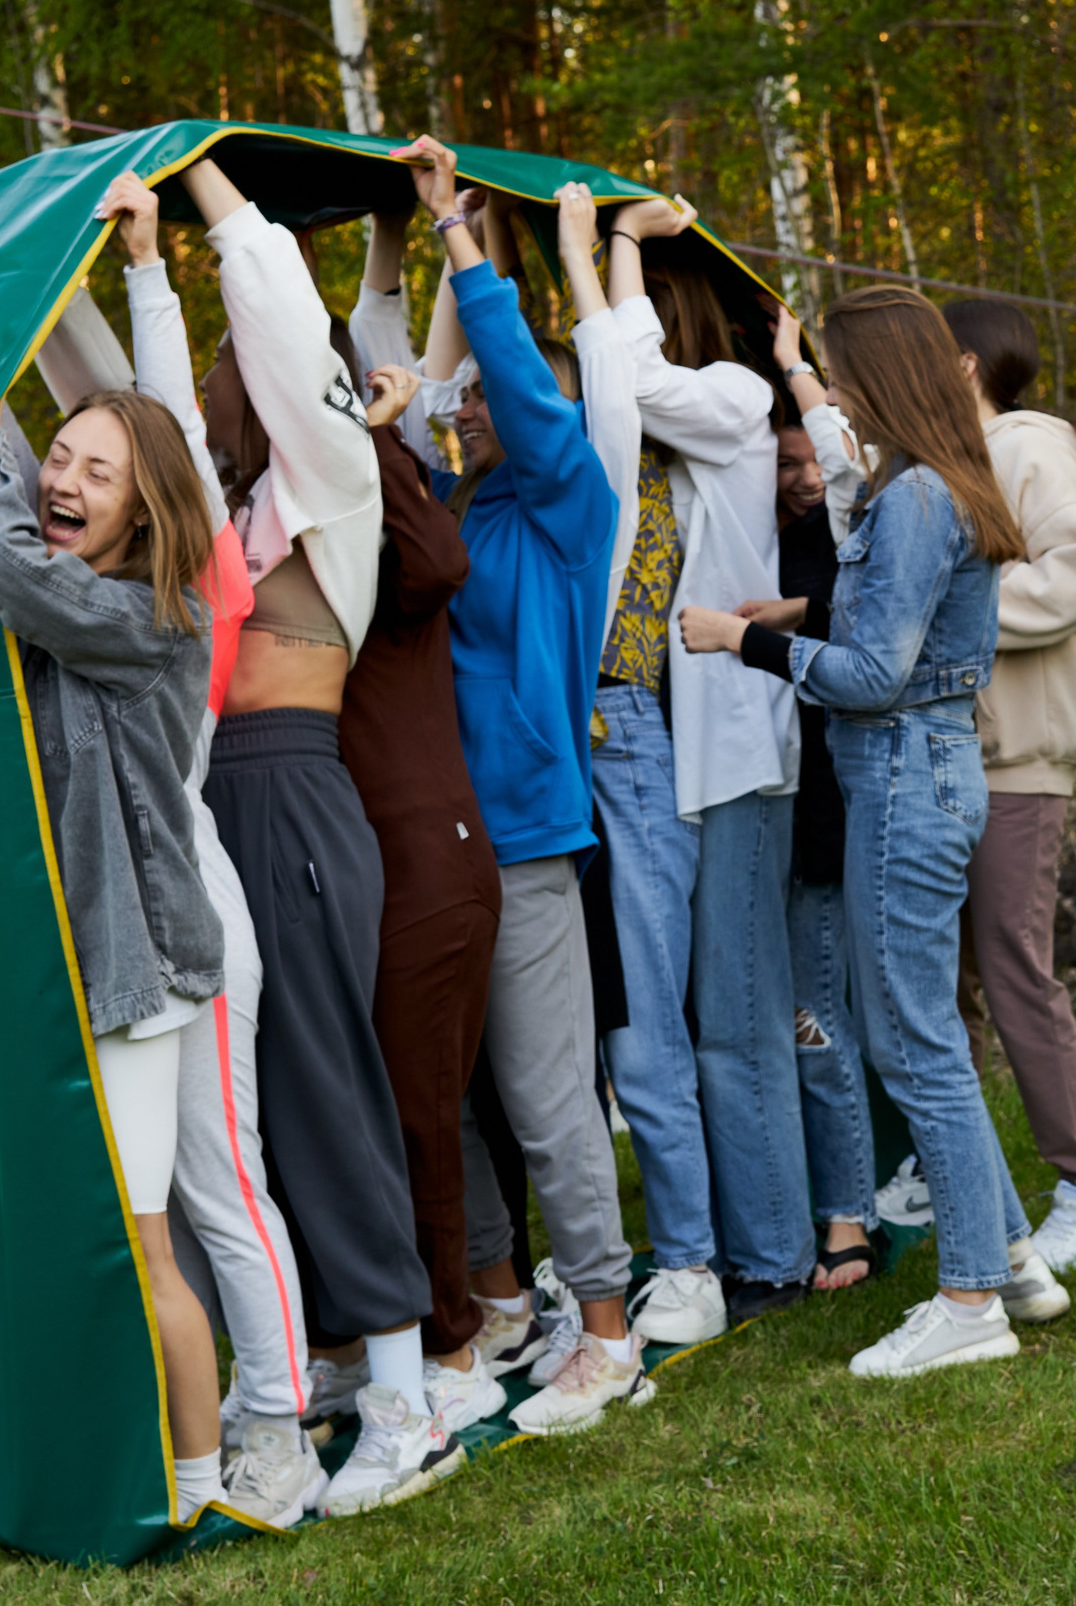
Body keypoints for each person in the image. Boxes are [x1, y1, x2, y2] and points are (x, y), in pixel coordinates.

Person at [679, 286, 1073, 1379]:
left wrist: (739, 643)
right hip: (929, 774)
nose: (839, 394)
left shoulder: (914, 501)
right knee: (921, 1035)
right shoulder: (941, 486)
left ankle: (968, 1300)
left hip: (902, 779)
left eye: (846, 376)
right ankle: (1012, 1255)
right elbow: (911, 616)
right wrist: (795, 613)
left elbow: (871, 676)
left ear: (884, 381)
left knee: (910, 1043)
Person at [176, 156, 449, 1517]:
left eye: (248, 350)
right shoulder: (238, 514)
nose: (236, 365)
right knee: (265, 1107)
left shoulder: (336, 479)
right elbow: (143, 414)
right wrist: (77, 293)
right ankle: (337, 1351)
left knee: (329, 1089)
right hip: (217, 789)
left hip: (289, 786)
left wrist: (222, 203)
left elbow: (285, 332)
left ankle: (406, 1398)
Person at [0, 376, 226, 1519]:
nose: (63, 482)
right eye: (61, 460)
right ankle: (107, 1466)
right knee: (71, 1237)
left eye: (99, 473)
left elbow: (0, 564)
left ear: (144, 511)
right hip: (65, 970)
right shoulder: (58, 604)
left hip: (134, 977)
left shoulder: (149, 618)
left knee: (143, 1250)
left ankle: (197, 1492)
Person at [80, 171, 329, 1527]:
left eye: (103, 471)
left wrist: (148, 271)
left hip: (199, 909)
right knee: (173, 1185)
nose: (75, 481)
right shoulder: (78, 585)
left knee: (224, 1178)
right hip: (129, 914)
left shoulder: (189, 582)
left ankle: (280, 1435)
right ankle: (231, 1407)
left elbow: (161, 423)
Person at [390, 134, 645, 1437]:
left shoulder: (565, 502)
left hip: (531, 839)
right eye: (472, 396)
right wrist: (411, 264)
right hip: (431, 842)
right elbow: (403, 405)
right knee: (445, 1088)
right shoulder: (454, 507)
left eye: (501, 392)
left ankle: (608, 1327)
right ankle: (498, 1297)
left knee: (548, 1095)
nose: (476, 405)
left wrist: (461, 244)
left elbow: (521, 400)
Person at [603, 196, 811, 1342]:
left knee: (733, 1016)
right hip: (684, 750)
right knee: (705, 1008)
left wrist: (621, 244)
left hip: (735, 756)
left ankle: (770, 1253)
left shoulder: (731, 398)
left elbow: (627, 379)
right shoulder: (684, 443)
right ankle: (749, 1238)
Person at [939, 298, 1076, 1274]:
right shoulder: (960, 456)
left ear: (964, 364)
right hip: (954, 759)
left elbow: (1074, 575)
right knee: (945, 978)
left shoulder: (1028, 444)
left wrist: (947, 603)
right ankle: (958, 1174)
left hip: (1018, 757)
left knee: (1015, 967)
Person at [735, 317, 873, 1291]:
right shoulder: (757, 542)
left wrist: (789, 622)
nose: (800, 477)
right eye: (780, 463)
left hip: (826, 813)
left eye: (807, 457)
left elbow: (861, 635)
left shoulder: (850, 537)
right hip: (756, 803)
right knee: (792, 1015)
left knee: (813, 1016)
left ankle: (848, 1221)